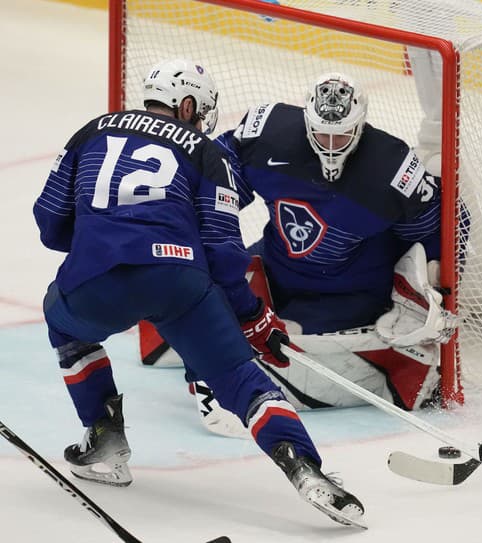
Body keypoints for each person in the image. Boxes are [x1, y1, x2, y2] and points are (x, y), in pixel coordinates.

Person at [33, 59, 365, 528]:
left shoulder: (91, 131)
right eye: (201, 109)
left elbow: (49, 222)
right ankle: (305, 468)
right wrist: (251, 316)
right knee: (238, 378)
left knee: (62, 323)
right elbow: (224, 252)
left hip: (95, 277)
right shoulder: (207, 152)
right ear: (187, 104)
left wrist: (102, 238)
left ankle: (104, 435)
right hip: (178, 281)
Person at [142, 70, 457, 420]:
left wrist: (430, 283)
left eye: (342, 136)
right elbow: (221, 162)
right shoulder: (269, 132)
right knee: (189, 291)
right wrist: (194, 217)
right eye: (322, 134)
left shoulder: (393, 169)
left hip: (349, 293)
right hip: (274, 265)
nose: (331, 145)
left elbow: (439, 228)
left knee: (278, 341)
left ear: (360, 125)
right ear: (306, 121)